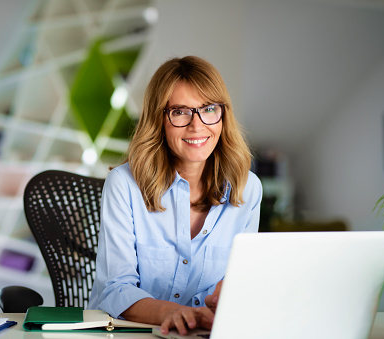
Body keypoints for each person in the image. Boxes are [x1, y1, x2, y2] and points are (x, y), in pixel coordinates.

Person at [88, 56, 262, 335]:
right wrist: (175, 313)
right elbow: (116, 289)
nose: (197, 125)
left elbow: (238, 281)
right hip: (126, 333)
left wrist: (227, 298)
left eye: (208, 109)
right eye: (180, 112)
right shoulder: (123, 185)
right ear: (159, 120)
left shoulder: (247, 188)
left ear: (222, 115)